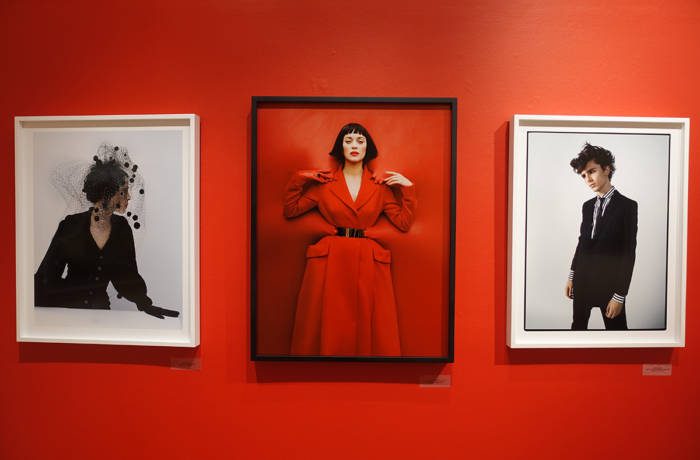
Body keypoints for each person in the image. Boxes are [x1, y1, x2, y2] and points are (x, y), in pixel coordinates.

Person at [283, 122, 416, 356]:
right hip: (330, 258)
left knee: (368, 320)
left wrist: (407, 188)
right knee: (329, 319)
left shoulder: (380, 187)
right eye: (348, 141)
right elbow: (291, 209)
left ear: (368, 148)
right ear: (340, 147)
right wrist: (301, 177)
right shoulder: (324, 185)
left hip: (367, 260)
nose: (354, 146)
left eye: (360, 141)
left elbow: (403, 223)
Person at [34, 154, 179, 319]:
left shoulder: (122, 229)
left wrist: (144, 303)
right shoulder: (71, 226)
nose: (129, 197)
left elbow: (126, 276)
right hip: (69, 314)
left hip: (101, 316)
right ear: (106, 193)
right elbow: (46, 277)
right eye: (123, 192)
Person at [565, 143, 637, 330]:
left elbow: (628, 253)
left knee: (619, 338)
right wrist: (572, 276)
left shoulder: (627, 206)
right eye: (583, 175)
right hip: (582, 282)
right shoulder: (587, 206)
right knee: (577, 335)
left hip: (610, 286)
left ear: (607, 169)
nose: (588, 179)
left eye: (592, 171)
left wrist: (620, 295)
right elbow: (582, 243)